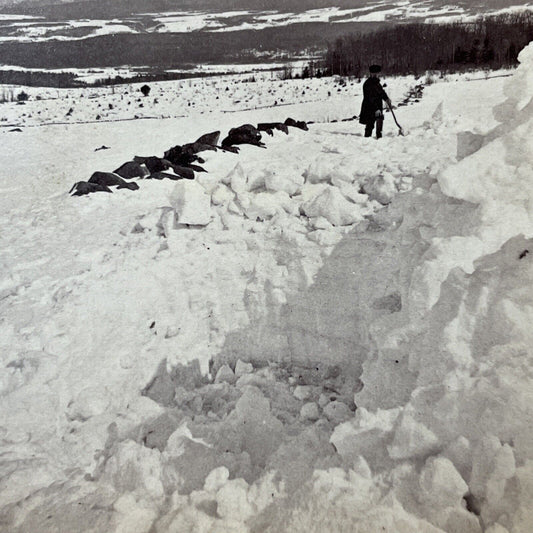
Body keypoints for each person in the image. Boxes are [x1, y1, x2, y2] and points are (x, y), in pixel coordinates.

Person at [359, 64, 391, 139]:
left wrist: (386, 99)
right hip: (369, 107)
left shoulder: (377, 83)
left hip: (377, 106)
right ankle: (367, 140)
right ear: (371, 73)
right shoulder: (367, 84)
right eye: (374, 73)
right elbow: (369, 98)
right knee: (370, 125)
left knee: (380, 122)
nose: (376, 75)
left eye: (377, 73)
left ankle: (379, 139)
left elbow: (381, 92)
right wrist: (376, 109)